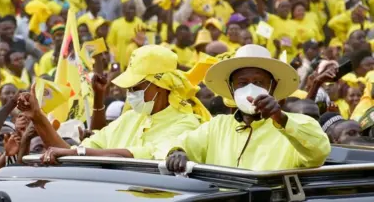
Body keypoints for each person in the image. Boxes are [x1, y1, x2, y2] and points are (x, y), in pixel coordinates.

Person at [20, 45, 209, 163]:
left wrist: (80, 152)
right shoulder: (129, 119)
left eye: (136, 87)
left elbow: (139, 156)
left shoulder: (187, 123)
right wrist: (38, 118)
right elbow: (69, 155)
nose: (130, 93)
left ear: (161, 85)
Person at [166, 44, 330, 171]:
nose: (250, 89)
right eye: (242, 83)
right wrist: (178, 152)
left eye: (258, 82)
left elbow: (319, 151)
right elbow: (183, 143)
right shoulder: (217, 126)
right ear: (232, 89)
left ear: (272, 86)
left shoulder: (295, 123)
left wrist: (280, 117)